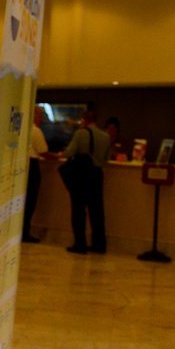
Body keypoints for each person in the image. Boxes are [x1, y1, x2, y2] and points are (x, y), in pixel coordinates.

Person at [61, 107, 111, 254]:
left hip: (81, 175)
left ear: (84, 120)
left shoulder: (81, 133)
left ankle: (80, 243)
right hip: (97, 174)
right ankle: (99, 244)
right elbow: (106, 159)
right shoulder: (106, 136)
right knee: (97, 210)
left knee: (78, 210)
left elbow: (69, 152)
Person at [22, 105, 53, 243]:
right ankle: (25, 232)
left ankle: (21, 231)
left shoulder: (22, 130)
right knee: (29, 201)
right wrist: (59, 156)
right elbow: (43, 152)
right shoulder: (35, 131)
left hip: (22, 167)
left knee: (23, 202)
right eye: (40, 115)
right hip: (32, 167)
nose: (42, 119)